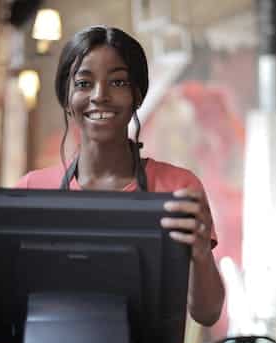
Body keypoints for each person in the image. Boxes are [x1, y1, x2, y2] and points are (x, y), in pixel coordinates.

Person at [15, 25, 224, 326]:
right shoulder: (31, 190)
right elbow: (7, 308)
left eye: (118, 81)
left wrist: (201, 253)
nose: (100, 95)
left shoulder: (178, 189)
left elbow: (207, 314)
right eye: (84, 83)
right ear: (66, 97)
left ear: (137, 96)